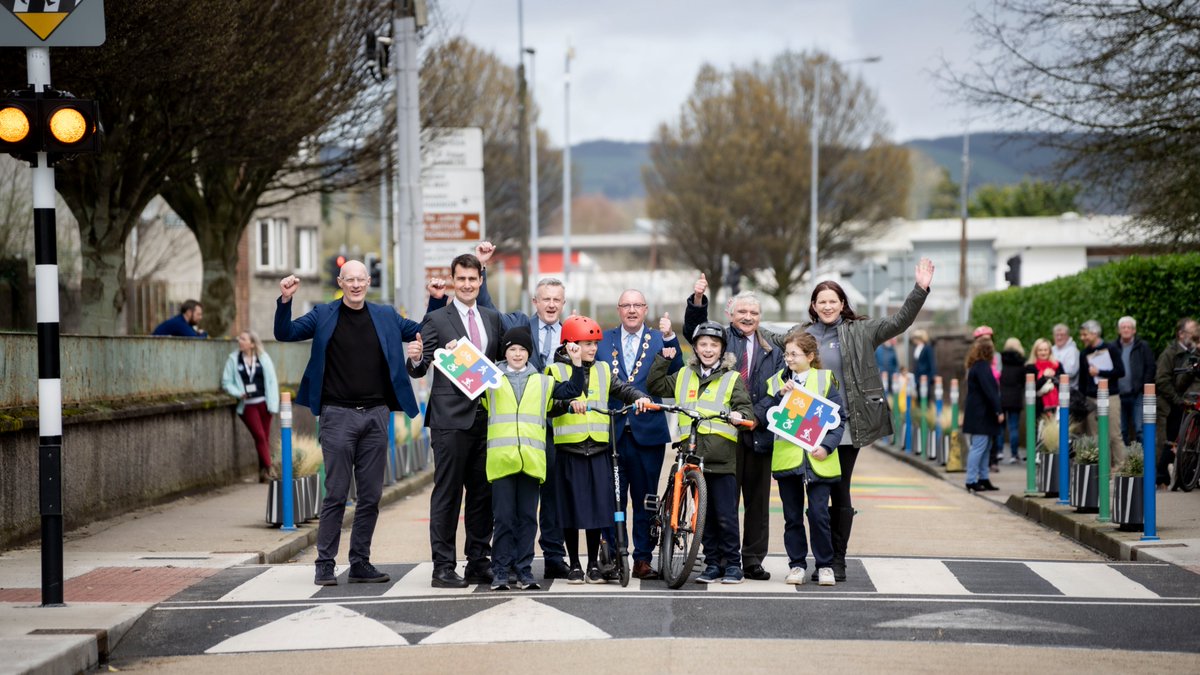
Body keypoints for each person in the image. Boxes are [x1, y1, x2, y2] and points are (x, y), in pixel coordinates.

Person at [274, 260, 422, 587]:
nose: (355, 285)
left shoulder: (385, 316)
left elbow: (424, 329)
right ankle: (324, 564)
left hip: (375, 415)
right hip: (337, 415)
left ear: (368, 281)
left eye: (360, 279)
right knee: (337, 493)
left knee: (370, 495)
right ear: (340, 281)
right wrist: (285, 301)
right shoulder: (324, 314)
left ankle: (360, 562)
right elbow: (285, 333)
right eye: (349, 279)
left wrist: (438, 299)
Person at [803, 258, 934, 581]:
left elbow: (900, 322)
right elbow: (766, 338)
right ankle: (820, 558)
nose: (828, 306)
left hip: (849, 423)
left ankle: (837, 559)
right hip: (811, 424)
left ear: (843, 304)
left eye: (833, 301)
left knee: (839, 487)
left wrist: (920, 289)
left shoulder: (861, 330)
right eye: (822, 301)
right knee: (816, 492)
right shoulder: (803, 335)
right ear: (814, 306)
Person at [470, 241, 573, 580]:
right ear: (535, 302)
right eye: (546, 299)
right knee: (513, 505)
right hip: (519, 432)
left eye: (557, 300)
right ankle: (511, 563)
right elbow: (488, 310)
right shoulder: (519, 327)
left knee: (551, 497)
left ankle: (555, 555)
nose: (552, 305)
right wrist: (481, 270)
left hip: (557, 424)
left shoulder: (571, 333)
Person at [407, 253, 505, 589]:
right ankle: (443, 567)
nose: (466, 285)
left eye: (472, 279)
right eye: (460, 279)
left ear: (480, 280)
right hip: (450, 421)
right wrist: (416, 359)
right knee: (448, 494)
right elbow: (420, 367)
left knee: (483, 495)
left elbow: (503, 361)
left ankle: (479, 561)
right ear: (453, 281)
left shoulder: (492, 318)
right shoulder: (437, 318)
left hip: (487, 419)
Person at [684, 277, 784, 582]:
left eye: (754, 313)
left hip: (758, 433)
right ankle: (722, 560)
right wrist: (698, 300)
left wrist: (758, 417)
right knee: (718, 503)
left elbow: (776, 390)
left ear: (760, 316)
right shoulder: (721, 339)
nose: (748, 317)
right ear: (731, 313)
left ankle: (752, 559)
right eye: (742, 312)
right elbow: (695, 331)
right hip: (722, 438)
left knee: (757, 502)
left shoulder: (772, 347)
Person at [547, 315, 652, 584]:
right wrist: (568, 404)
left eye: (594, 343)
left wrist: (641, 398)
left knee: (596, 510)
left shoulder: (604, 369)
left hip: (598, 449)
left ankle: (593, 563)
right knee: (571, 510)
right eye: (586, 343)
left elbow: (622, 389)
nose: (593, 348)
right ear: (571, 345)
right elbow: (549, 405)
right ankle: (573, 564)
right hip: (570, 450)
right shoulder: (555, 371)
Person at [649, 321, 754, 584]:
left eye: (714, 345)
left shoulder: (732, 378)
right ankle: (711, 563)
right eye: (703, 344)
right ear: (695, 348)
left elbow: (746, 409)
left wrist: (739, 415)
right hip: (692, 456)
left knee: (726, 515)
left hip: (721, 457)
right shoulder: (684, 374)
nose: (708, 349)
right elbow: (656, 386)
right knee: (701, 516)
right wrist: (664, 358)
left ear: (722, 349)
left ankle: (732, 564)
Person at [482, 326, 585, 591]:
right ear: (505, 352)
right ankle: (501, 571)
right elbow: (462, 384)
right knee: (503, 518)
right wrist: (453, 357)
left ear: (530, 353)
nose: (517, 354)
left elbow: (573, 389)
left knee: (528, 517)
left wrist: (576, 362)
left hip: (531, 460)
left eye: (522, 349)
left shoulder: (544, 381)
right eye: (512, 349)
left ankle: (524, 570)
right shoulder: (489, 379)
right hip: (502, 460)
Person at [597, 289, 683, 580]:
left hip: (648, 433)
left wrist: (672, 339)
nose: (631, 310)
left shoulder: (660, 339)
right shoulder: (602, 340)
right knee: (613, 498)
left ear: (646, 310)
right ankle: (611, 556)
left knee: (646, 498)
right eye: (626, 305)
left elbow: (679, 372)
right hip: (613, 432)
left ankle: (642, 559)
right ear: (618, 309)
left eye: (637, 305)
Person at [756, 331, 845, 587]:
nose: (789, 359)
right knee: (792, 516)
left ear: (810, 356)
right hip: (788, 459)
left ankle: (825, 565)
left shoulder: (825, 380)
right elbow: (767, 412)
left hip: (819, 459)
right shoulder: (777, 381)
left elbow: (839, 420)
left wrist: (827, 447)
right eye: (786, 354)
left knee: (819, 513)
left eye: (794, 354)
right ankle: (796, 565)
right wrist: (780, 395)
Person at [221, 330, 280, 483]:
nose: (239, 340)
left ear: (252, 343)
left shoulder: (263, 358)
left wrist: (273, 404)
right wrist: (238, 392)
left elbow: (272, 382)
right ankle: (269, 468)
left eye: (243, 338)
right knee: (259, 436)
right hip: (247, 405)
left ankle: (262, 473)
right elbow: (226, 382)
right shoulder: (233, 359)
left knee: (264, 439)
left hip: (265, 404)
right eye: (239, 338)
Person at [1156, 317, 1199, 489]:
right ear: (1181, 334)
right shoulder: (1170, 353)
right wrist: (1177, 400)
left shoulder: (1191, 351)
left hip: (1182, 402)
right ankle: (1161, 479)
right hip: (1172, 404)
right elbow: (1163, 380)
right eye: (1193, 334)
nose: (1195, 338)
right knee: (1168, 443)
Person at [1078, 319, 1127, 466]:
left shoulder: (1111, 349)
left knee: (1114, 434)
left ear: (1094, 333)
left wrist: (1099, 372)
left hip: (1110, 396)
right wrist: (1082, 400)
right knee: (1094, 436)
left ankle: (1120, 468)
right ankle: (1100, 469)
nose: (1082, 338)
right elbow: (1082, 379)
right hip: (1091, 398)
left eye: (1085, 335)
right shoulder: (1084, 353)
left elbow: (1120, 371)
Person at [963, 336, 1003, 492]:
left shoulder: (977, 366)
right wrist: (998, 410)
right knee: (979, 447)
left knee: (985, 447)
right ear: (989, 351)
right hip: (982, 414)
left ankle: (983, 478)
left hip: (980, 413)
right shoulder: (983, 367)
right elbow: (991, 392)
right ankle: (971, 480)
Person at [1115, 316, 1157, 446]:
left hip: (1137, 394)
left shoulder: (1142, 346)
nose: (1126, 330)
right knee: (1121, 431)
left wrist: (1143, 386)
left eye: (1129, 327)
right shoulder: (1113, 347)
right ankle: (1124, 462)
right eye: (1123, 327)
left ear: (1134, 330)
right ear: (1119, 330)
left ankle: (1145, 462)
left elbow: (1151, 367)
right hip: (1118, 395)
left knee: (1140, 430)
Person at [998, 337, 1027, 463]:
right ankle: (1014, 454)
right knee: (1013, 427)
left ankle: (999, 452)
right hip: (1015, 398)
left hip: (1002, 397)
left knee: (1001, 427)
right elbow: (1024, 381)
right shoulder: (1022, 363)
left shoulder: (1000, 360)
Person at [1026, 337, 1064, 419]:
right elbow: (1031, 389)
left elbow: (1063, 385)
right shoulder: (1030, 367)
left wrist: (1053, 379)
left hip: (1058, 407)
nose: (1043, 353)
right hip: (1038, 408)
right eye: (1040, 350)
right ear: (1035, 352)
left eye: (1045, 350)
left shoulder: (1057, 366)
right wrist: (1044, 377)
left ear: (1050, 351)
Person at [1052, 323, 1080, 389]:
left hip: (1069, 390)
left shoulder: (1072, 351)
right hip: (1054, 389)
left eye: (1062, 335)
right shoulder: (1052, 349)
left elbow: (1070, 372)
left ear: (1068, 336)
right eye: (1057, 335)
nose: (1059, 337)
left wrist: (1051, 373)